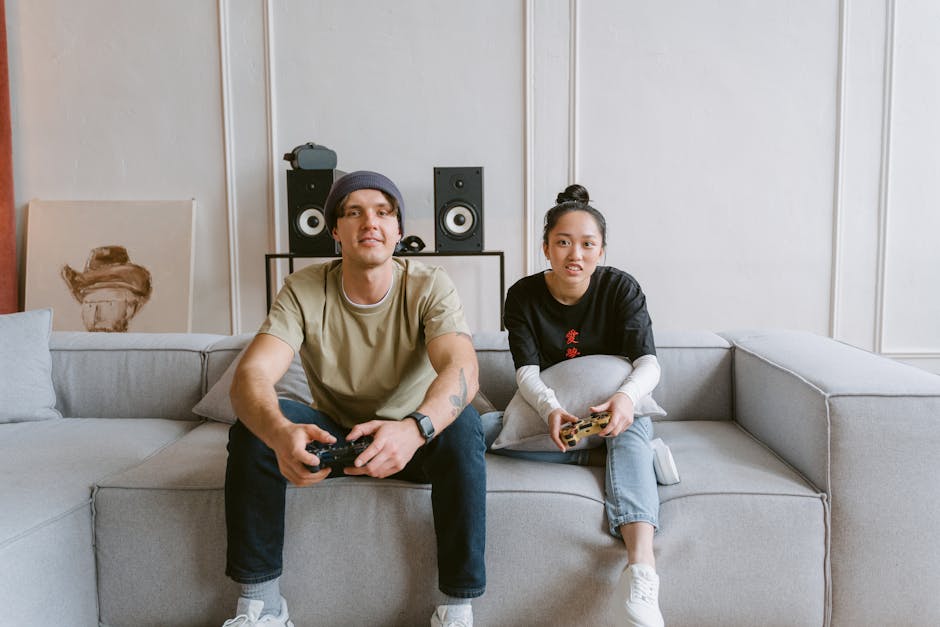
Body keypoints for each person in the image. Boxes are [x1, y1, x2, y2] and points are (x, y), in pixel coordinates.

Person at [223, 171, 486, 627]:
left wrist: (415, 428)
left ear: (398, 231)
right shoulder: (303, 288)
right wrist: (280, 433)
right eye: (354, 212)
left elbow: (462, 369)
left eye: (384, 212)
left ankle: (456, 610)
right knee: (253, 428)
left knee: (464, 425)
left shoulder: (429, 285)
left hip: (409, 438)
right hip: (334, 434)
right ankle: (262, 609)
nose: (370, 222)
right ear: (335, 231)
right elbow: (251, 375)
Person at [500, 184, 664, 627]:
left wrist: (627, 399)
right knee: (481, 433)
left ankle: (642, 574)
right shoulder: (522, 295)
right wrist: (550, 408)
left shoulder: (620, 288)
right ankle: (598, 455)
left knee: (627, 432)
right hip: (556, 413)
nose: (576, 254)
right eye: (563, 242)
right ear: (546, 248)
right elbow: (526, 371)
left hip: (613, 412)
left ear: (602, 251)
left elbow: (648, 362)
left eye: (588, 244)